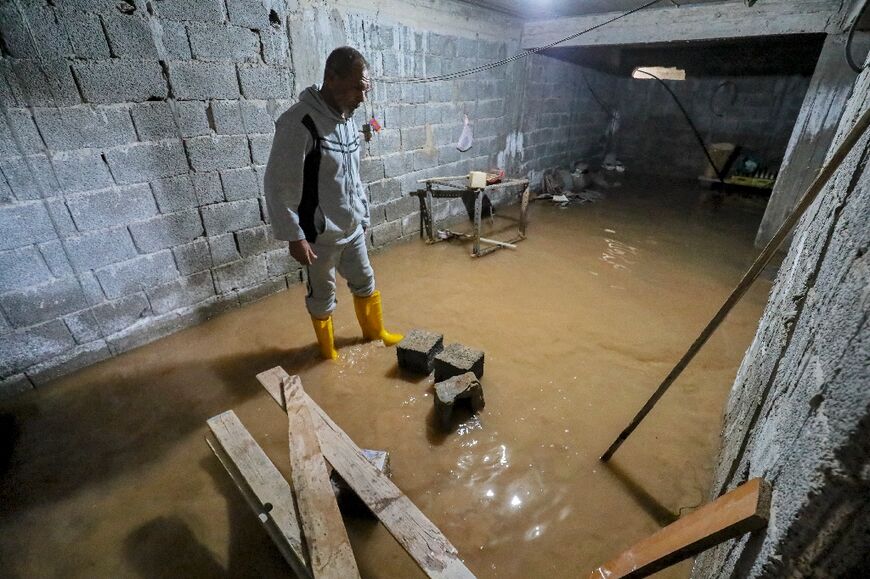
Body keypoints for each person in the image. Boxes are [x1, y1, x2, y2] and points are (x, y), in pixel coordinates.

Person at [264, 46, 403, 359]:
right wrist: (294, 236)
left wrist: (363, 215)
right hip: (320, 236)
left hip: (352, 228)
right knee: (323, 296)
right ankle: (328, 355)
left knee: (365, 281)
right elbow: (277, 184)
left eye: (365, 90)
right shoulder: (299, 123)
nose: (362, 98)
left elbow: (354, 176)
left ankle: (375, 334)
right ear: (330, 77)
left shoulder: (347, 120)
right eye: (357, 88)